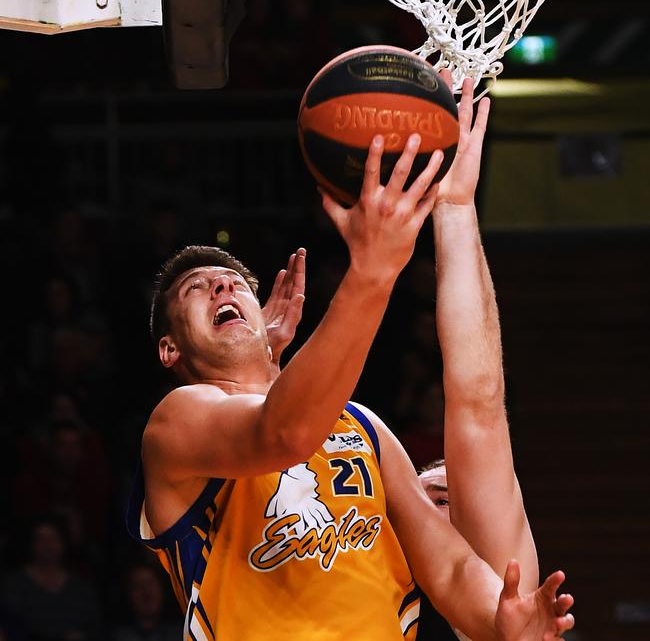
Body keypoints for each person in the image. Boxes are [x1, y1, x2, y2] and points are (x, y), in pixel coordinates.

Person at [128, 134, 574, 640]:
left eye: (234, 284)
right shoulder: (175, 423)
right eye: (198, 288)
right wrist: (372, 270)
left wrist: (499, 618)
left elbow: (449, 568)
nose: (223, 286)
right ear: (170, 350)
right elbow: (283, 433)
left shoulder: (363, 426)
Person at [416, 75, 541, 640]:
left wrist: (455, 208)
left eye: (453, 496)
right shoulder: (358, 576)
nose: (457, 507)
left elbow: (477, 405)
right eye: (440, 497)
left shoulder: (493, 601)